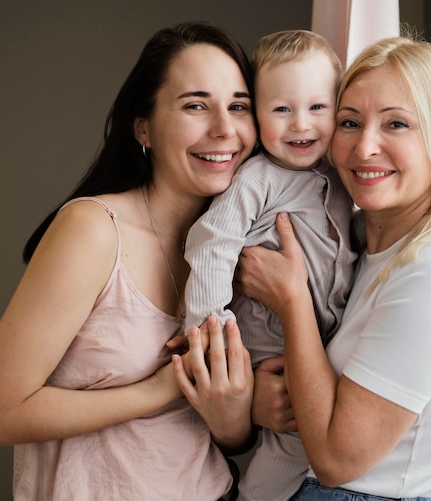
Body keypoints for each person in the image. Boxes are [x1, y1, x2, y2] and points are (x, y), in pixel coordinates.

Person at [0, 21, 257, 501]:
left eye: (239, 106)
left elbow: (226, 436)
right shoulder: (94, 230)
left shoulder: (240, 249)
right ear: (143, 126)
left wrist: (233, 418)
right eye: (196, 105)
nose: (225, 128)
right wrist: (159, 390)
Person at [235, 36, 431, 500]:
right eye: (350, 122)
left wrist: (291, 300)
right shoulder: (359, 245)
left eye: (397, 124)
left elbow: (336, 458)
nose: (365, 147)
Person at [182, 29, 357, 500]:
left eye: (318, 108)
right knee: (290, 449)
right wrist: (210, 331)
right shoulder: (258, 177)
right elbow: (213, 241)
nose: (301, 124)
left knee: (306, 444)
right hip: (264, 349)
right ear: (256, 112)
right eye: (282, 109)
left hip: (314, 347)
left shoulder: (339, 178)